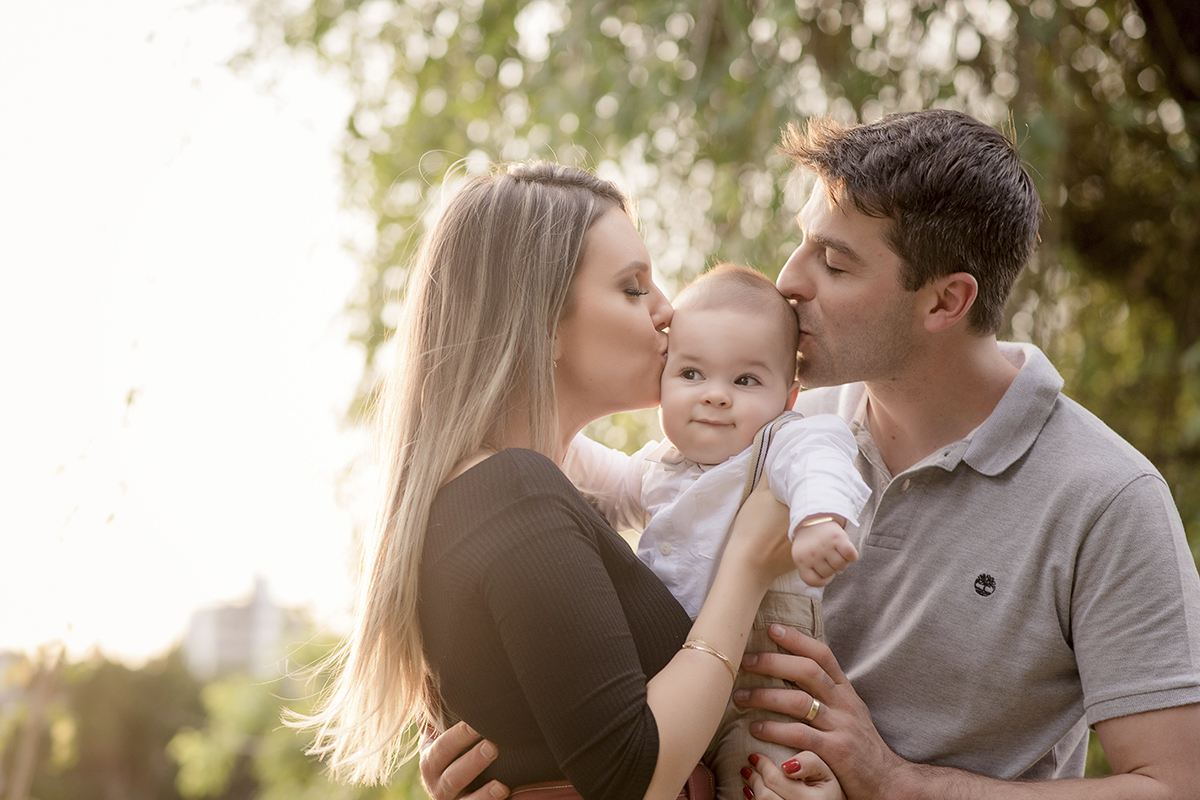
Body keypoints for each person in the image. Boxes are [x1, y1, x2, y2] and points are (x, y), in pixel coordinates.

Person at [418, 110, 1200, 800]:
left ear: (944, 301)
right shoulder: (772, 423)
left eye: (834, 262)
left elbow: (1173, 785)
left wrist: (897, 784)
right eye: (802, 245)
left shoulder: (1105, 498)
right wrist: (525, 760)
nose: (788, 280)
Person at [296, 160, 801, 800]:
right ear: (543, 320)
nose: (668, 310)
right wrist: (749, 568)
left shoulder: (508, 498)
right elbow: (629, 775)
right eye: (633, 286)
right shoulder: (515, 497)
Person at [561, 262, 871, 799]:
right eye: (691, 374)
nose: (716, 394)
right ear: (663, 381)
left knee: (771, 787)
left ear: (789, 398)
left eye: (745, 379)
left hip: (761, 698)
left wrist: (819, 520)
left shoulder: (783, 443)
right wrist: (542, 420)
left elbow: (824, 461)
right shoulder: (660, 467)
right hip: (668, 686)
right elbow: (600, 481)